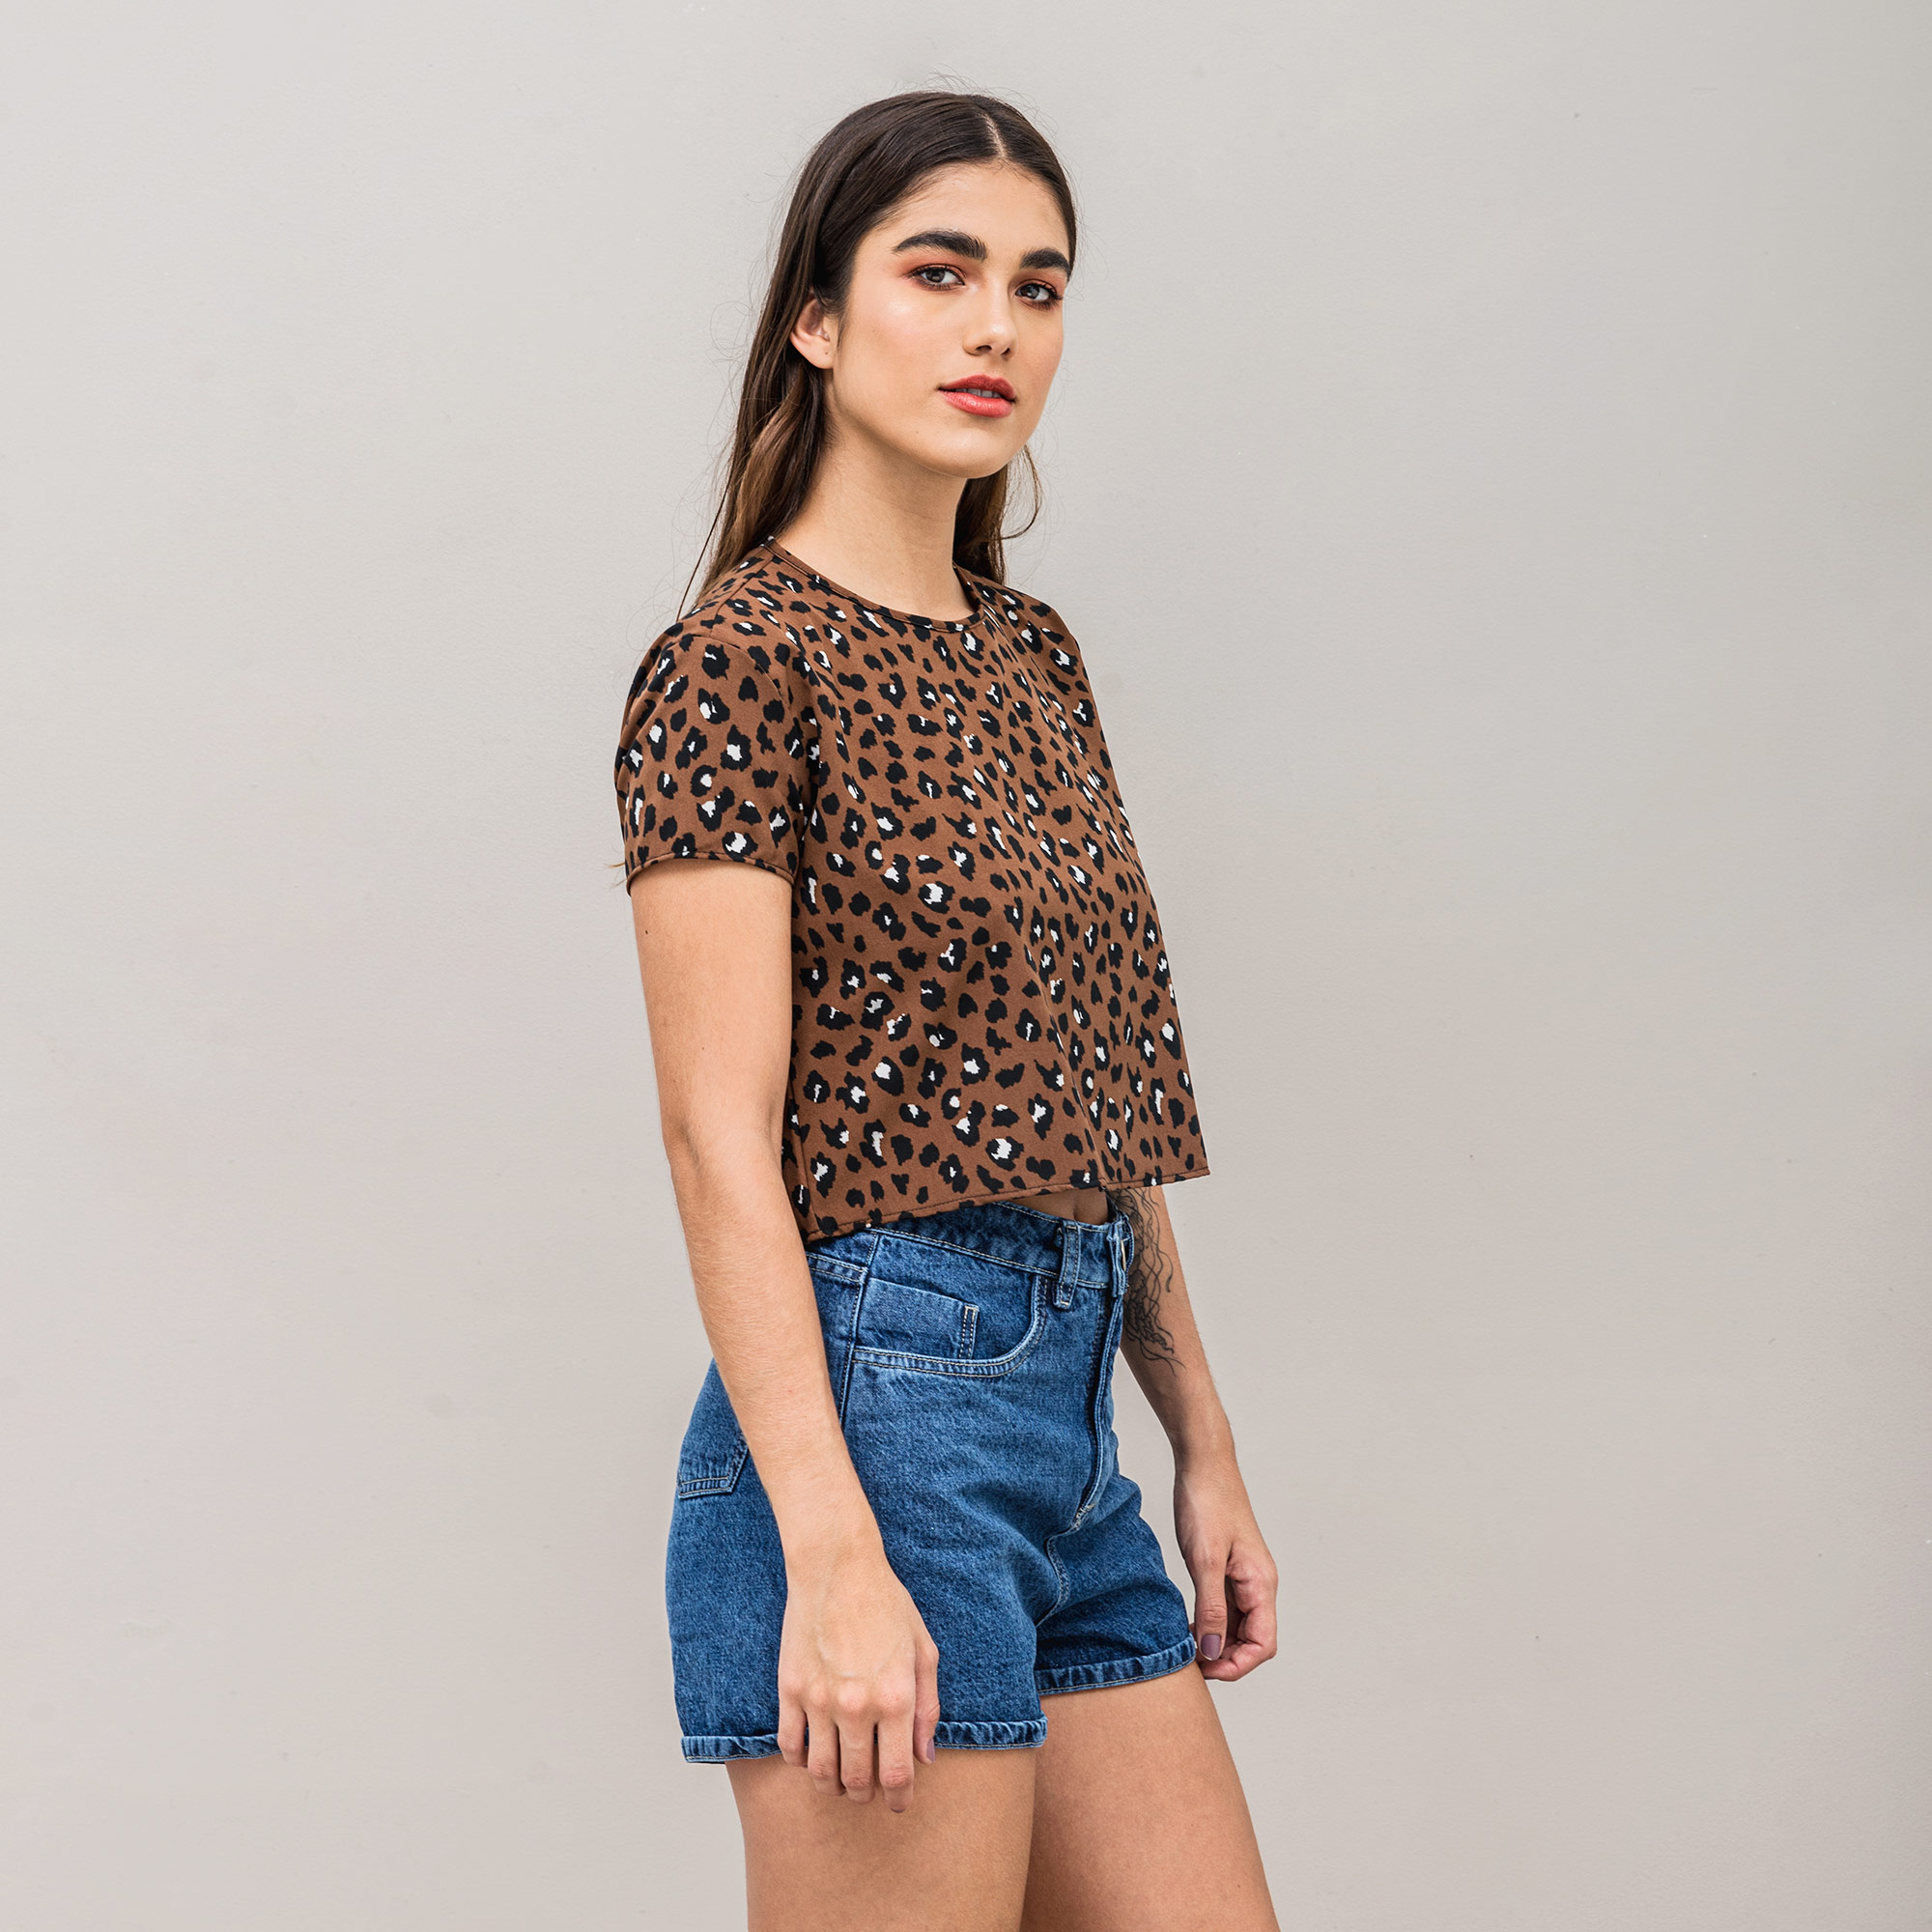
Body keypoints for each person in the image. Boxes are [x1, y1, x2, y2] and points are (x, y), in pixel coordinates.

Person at [615, 89, 1281, 1930]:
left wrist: (1202, 1442)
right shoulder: (735, 665)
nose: (996, 326)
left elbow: (1090, 1099)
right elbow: (715, 1140)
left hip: (1067, 1424)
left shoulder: (1032, 659)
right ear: (818, 321)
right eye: (938, 272)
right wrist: (830, 1547)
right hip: (878, 1425)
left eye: (1037, 287)